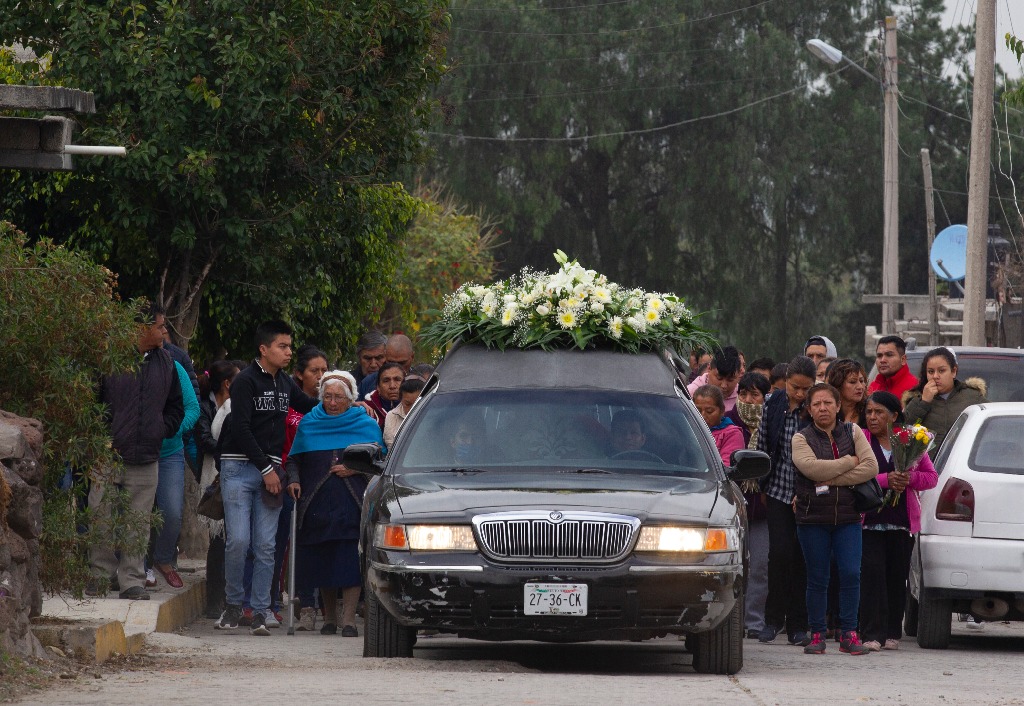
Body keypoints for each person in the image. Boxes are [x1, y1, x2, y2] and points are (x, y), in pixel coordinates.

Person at [216, 320, 318, 636]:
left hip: (271, 469)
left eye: (289, 346)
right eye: (282, 346)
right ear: (264, 349)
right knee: (239, 541)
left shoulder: (285, 383)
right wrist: (267, 470)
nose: (289, 352)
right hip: (239, 467)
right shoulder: (245, 381)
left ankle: (261, 611)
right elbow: (241, 429)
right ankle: (234, 605)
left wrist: (348, 404)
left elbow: (313, 407)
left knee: (266, 544)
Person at [88, 303, 185, 600]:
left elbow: (176, 407)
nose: (164, 331)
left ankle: (132, 580)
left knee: (138, 522)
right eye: (160, 326)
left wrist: (159, 428)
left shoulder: (167, 362)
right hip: (108, 454)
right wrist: (102, 437)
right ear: (141, 328)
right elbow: (91, 402)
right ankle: (100, 576)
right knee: (100, 516)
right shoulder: (108, 358)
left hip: (146, 456)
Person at [286, 371, 383, 637]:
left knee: (350, 562)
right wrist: (293, 480)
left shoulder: (366, 426)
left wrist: (354, 469)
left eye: (338, 397)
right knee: (323, 560)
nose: (332, 402)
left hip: (351, 504)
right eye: (327, 396)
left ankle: (349, 620)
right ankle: (329, 618)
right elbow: (294, 459)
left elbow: (379, 462)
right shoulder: (309, 423)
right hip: (316, 505)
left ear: (351, 398)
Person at [792, 383, 878, 655]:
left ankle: (849, 634)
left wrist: (831, 478)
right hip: (812, 518)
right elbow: (811, 468)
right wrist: (850, 462)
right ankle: (817, 634)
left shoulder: (853, 432)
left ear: (838, 406)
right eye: (816, 404)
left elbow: (872, 467)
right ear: (809, 409)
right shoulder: (801, 438)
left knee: (851, 574)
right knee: (818, 577)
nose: (823, 408)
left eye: (828, 402)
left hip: (849, 518)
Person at [860, 391, 938, 651]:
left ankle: (892, 630)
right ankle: (871, 632)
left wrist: (908, 479)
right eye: (869, 412)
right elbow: (853, 474)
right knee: (872, 575)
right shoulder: (861, 439)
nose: (872, 417)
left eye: (879, 412)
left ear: (894, 415)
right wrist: (885, 480)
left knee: (896, 578)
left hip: (902, 522)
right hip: (868, 521)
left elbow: (930, 477)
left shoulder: (909, 439)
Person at [755, 356, 816, 646]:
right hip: (778, 492)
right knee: (779, 555)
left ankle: (798, 626)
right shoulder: (773, 403)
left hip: (808, 496)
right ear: (786, 381)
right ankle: (772, 620)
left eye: (807, 389)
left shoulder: (818, 407)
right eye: (795, 388)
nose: (801, 395)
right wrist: (762, 484)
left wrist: (805, 491)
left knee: (802, 558)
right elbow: (763, 445)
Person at [148, 358, 201, 590]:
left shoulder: (172, 367)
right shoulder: (129, 365)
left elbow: (193, 409)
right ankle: (139, 566)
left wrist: (170, 430)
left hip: (170, 451)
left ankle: (163, 558)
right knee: (137, 512)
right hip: (136, 450)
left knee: (172, 512)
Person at [195, 360, 240, 618]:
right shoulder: (206, 408)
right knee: (218, 541)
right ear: (227, 383)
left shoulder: (239, 407)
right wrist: (231, 452)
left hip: (235, 475)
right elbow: (204, 440)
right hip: (215, 475)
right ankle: (215, 601)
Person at [734, 371, 770, 639]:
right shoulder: (730, 421)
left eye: (754, 395)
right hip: (734, 508)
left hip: (763, 508)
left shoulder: (770, 423)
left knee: (759, 567)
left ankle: (754, 623)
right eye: (743, 394)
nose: (747, 400)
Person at [902, 347, 987, 455]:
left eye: (941, 371)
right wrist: (924, 402)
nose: (935, 376)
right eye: (931, 371)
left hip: (962, 462)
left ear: (953, 371)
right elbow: (904, 430)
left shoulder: (972, 397)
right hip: (928, 467)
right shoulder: (916, 400)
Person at [693, 385, 743, 466]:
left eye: (709, 411)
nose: (702, 416)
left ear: (722, 410)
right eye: (697, 410)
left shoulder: (732, 434)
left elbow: (727, 467)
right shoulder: (688, 429)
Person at [357, 333, 416, 398]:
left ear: (412, 357)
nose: (396, 368)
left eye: (401, 363)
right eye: (391, 362)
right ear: (385, 356)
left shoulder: (422, 381)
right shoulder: (368, 382)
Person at [687, 346, 742, 413]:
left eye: (730, 380)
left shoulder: (743, 399)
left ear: (739, 374)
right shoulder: (689, 394)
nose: (724, 385)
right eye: (719, 378)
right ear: (709, 369)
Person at [868, 335, 918, 401]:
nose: (882, 360)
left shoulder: (913, 388)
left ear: (903, 359)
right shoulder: (873, 386)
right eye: (879, 356)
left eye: (889, 355)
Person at [383, 375, 426, 449]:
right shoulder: (392, 416)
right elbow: (392, 448)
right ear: (401, 400)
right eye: (407, 404)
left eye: (417, 403)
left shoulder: (434, 415)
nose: (412, 409)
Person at [825, 359, 867, 427]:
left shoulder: (869, 410)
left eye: (862, 381)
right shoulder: (827, 410)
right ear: (838, 384)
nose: (860, 387)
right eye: (852, 382)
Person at [364, 361, 404, 430]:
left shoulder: (416, 407)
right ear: (378, 387)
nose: (392, 386)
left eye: (397, 380)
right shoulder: (366, 411)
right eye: (386, 381)